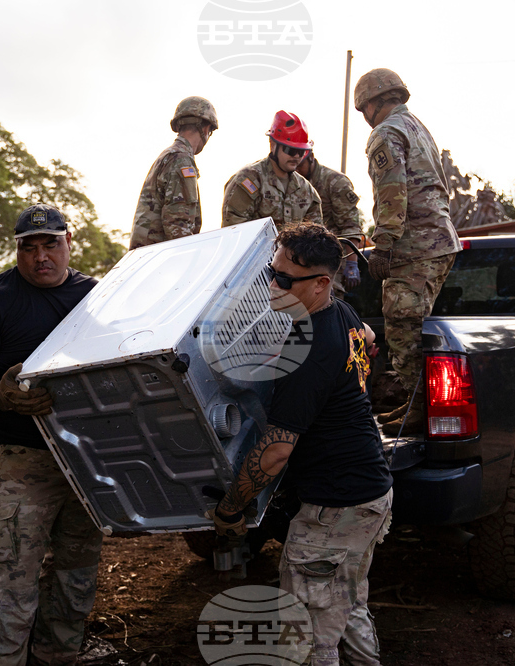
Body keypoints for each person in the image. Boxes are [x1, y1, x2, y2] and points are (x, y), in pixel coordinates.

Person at [212, 223, 393, 666]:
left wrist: (232, 507)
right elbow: (368, 336)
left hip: (334, 507)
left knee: (308, 639)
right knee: (347, 608)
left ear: (320, 284)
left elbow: (276, 451)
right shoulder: (342, 313)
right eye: (270, 273)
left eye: (283, 279)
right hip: (371, 495)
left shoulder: (305, 348)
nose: (272, 284)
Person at [0, 203, 104, 666]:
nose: (40, 257)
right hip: (21, 457)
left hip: (86, 459)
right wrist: (2, 393)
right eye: (28, 248)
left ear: (68, 242)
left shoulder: (97, 297)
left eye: (50, 244)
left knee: (77, 572)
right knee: (14, 577)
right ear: (17, 251)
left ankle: (58, 655)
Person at [353, 68, 462, 436]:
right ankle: (418, 401)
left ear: (371, 102)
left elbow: (392, 191)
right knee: (410, 326)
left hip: (416, 245)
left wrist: (382, 246)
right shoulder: (416, 126)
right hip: (437, 240)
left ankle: (422, 411)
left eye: (364, 108)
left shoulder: (386, 132)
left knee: (401, 325)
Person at [130, 96, 218, 250]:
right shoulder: (182, 160)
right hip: (159, 261)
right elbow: (178, 228)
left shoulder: (168, 155)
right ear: (205, 128)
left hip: (146, 258)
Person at [222, 110, 323, 230]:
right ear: (273, 145)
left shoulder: (307, 191)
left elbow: (315, 237)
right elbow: (234, 231)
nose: (296, 156)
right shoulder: (249, 181)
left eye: (301, 152)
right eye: (290, 150)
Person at [296, 150, 365, 291]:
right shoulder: (292, 182)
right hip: (301, 258)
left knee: (328, 300)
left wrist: (352, 265)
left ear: (311, 158)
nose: (296, 170)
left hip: (331, 259)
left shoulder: (334, 182)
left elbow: (350, 225)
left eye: (300, 165)